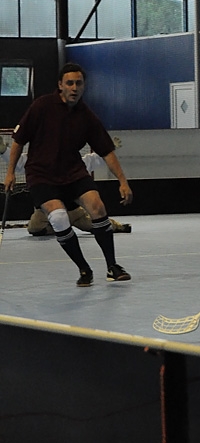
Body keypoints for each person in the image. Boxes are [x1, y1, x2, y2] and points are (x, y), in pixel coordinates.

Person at [4, 63, 133, 286]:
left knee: (97, 206)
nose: (74, 87)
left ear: (84, 86)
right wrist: (10, 173)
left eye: (78, 83)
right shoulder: (41, 106)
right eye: (70, 83)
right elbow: (18, 140)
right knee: (58, 218)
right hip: (41, 176)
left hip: (73, 173)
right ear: (60, 85)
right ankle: (84, 269)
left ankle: (112, 266)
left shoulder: (87, 116)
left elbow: (107, 151)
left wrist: (123, 181)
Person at [0, 135, 131, 235]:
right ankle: (57, 228)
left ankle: (118, 226)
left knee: (98, 225)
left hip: (74, 212)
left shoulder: (74, 164)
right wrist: (4, 151)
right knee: (34, 228)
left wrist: (108, 148)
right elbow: (20, 162)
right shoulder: (37, 162)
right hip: (46, 212)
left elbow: (93, 160)